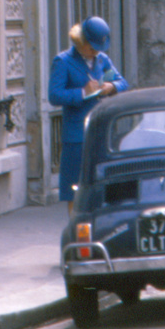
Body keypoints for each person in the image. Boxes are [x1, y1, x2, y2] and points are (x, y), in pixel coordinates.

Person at [48, 16, 128, 212]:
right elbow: (54, 95)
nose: (95, 53)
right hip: (76, 135)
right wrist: (83, 92)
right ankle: (76, 230)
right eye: (91, 48)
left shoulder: (102, 59)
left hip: (100, 131)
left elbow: (122, 83)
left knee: (101, 185)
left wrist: (111, 86)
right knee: (74, 187)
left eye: (98, 49)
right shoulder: (63, 61)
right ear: (80, 42)